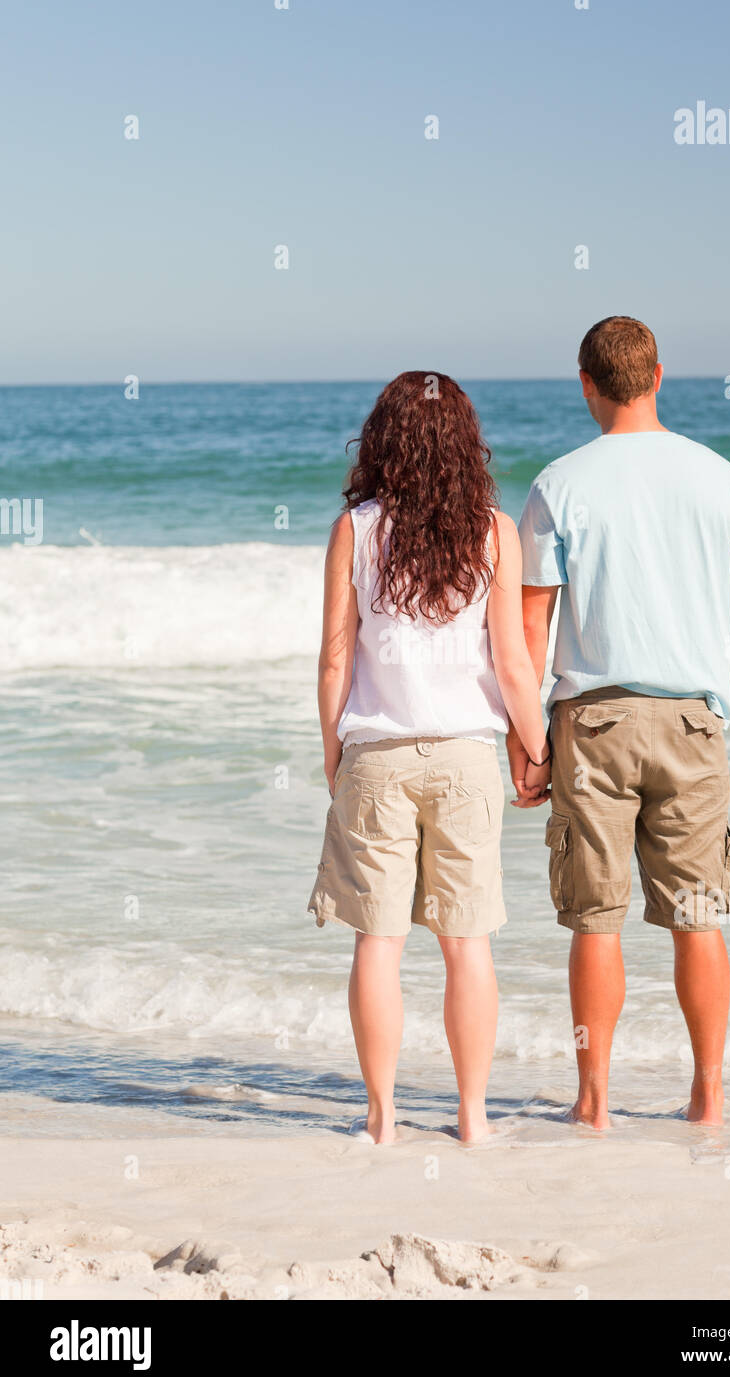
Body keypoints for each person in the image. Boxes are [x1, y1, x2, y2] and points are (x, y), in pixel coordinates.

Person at [512, 316, 730, 1129]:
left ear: (586, 384)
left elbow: (530, 629)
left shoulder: (560, 483)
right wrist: (713, 705)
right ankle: (709, 1096)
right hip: (692, 719)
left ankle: (593, 1103)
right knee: (698, 918)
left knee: (596, 920)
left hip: (593, 721)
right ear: (659, 375)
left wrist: (527, 740)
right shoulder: (719, 477)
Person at [308, 371, 549, 1145]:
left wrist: (331, 749)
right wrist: (536, 751)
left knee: (378, 942)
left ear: (384, 438)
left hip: (376, 753)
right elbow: (513, 663)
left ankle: (381, 1119)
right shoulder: (494, 529)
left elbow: (334, 661)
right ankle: (472, 1117)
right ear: (463, 442)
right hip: (468, 758)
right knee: (466, 943)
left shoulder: (357, 530)